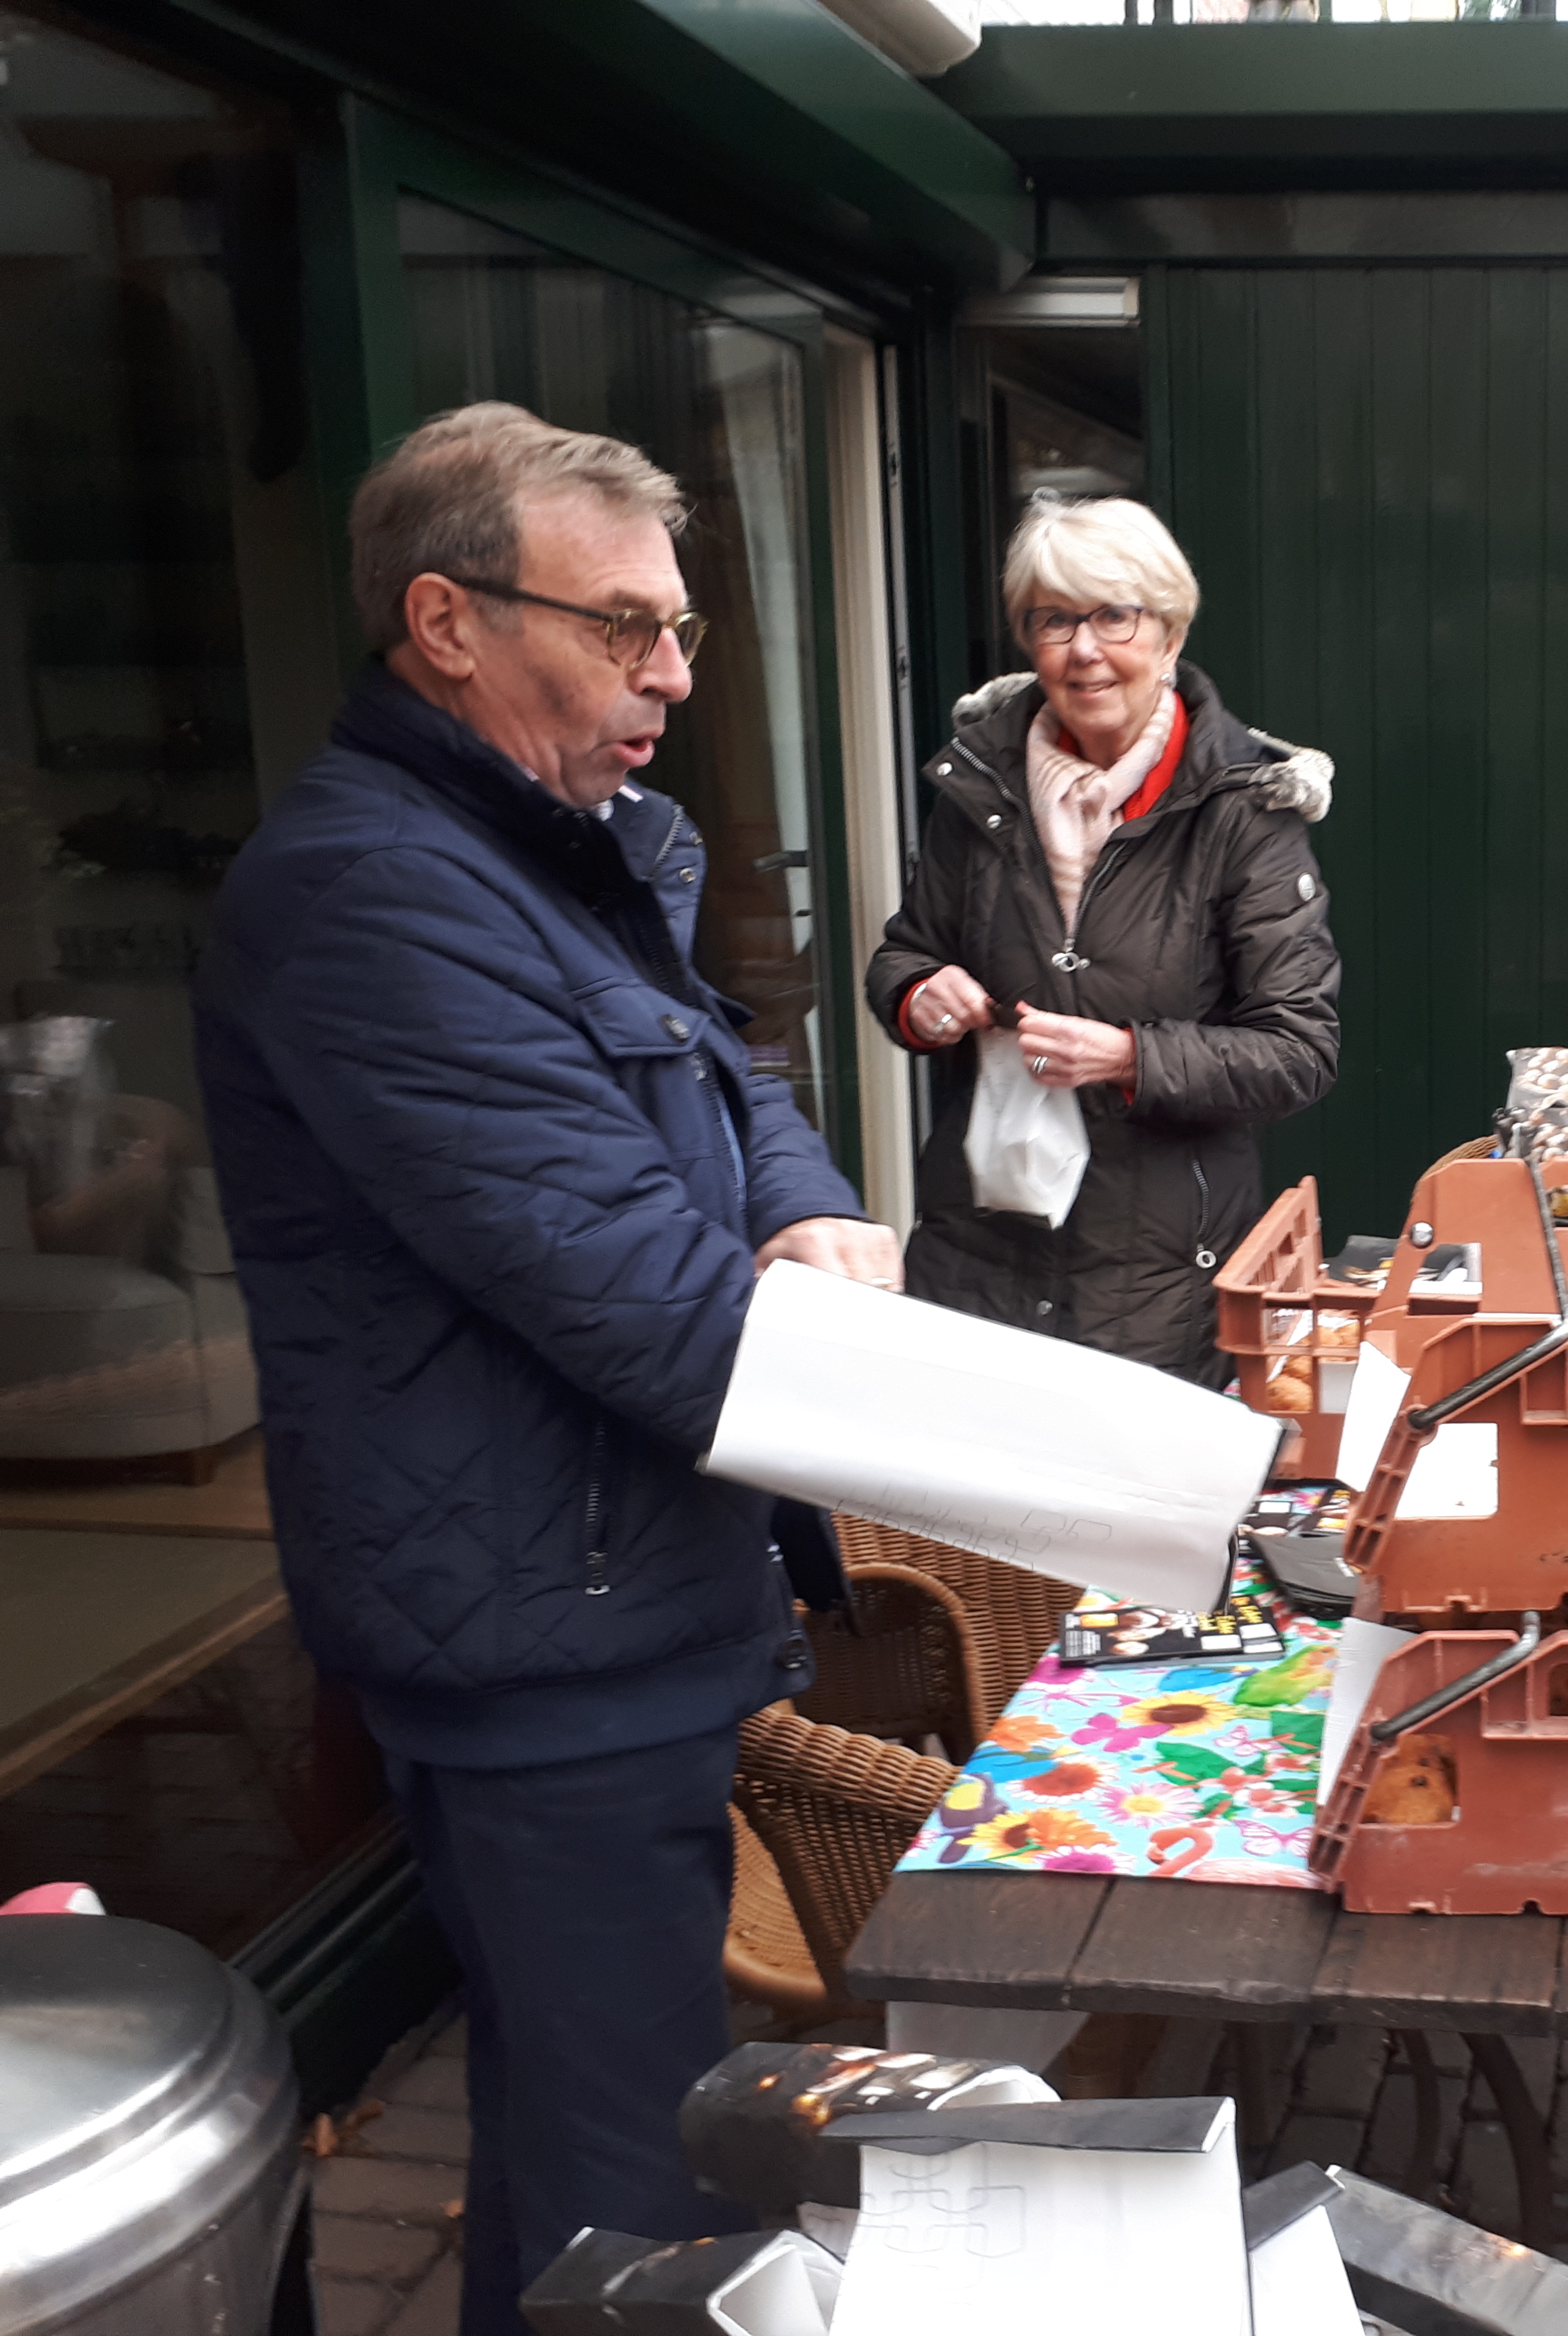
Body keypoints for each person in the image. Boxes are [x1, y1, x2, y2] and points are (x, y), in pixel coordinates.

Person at [195, 404, 899, 2335]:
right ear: (445, 620)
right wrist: (1086, 1465)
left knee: (582, 2150)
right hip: (546, 1649)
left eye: (681, 627)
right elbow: (653, 1307)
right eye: (625, 628)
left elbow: (726, 1072)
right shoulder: (380, 899)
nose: (674, 673)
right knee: (643, 2200)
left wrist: (816, 1210)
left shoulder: (560, 847)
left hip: (614, 1598)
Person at [867, 495, 1340, 1383]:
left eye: (1113, 616)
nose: (1083, 650)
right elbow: (905, 950)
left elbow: (1299, 1049)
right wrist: (917, 994)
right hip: (984, 1254)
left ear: (1169, 634)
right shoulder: (975, 787)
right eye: (1054, 620)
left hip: (1160, 1279)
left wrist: (1129, 1057)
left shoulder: (1245, 805)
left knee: (1134, 1518)